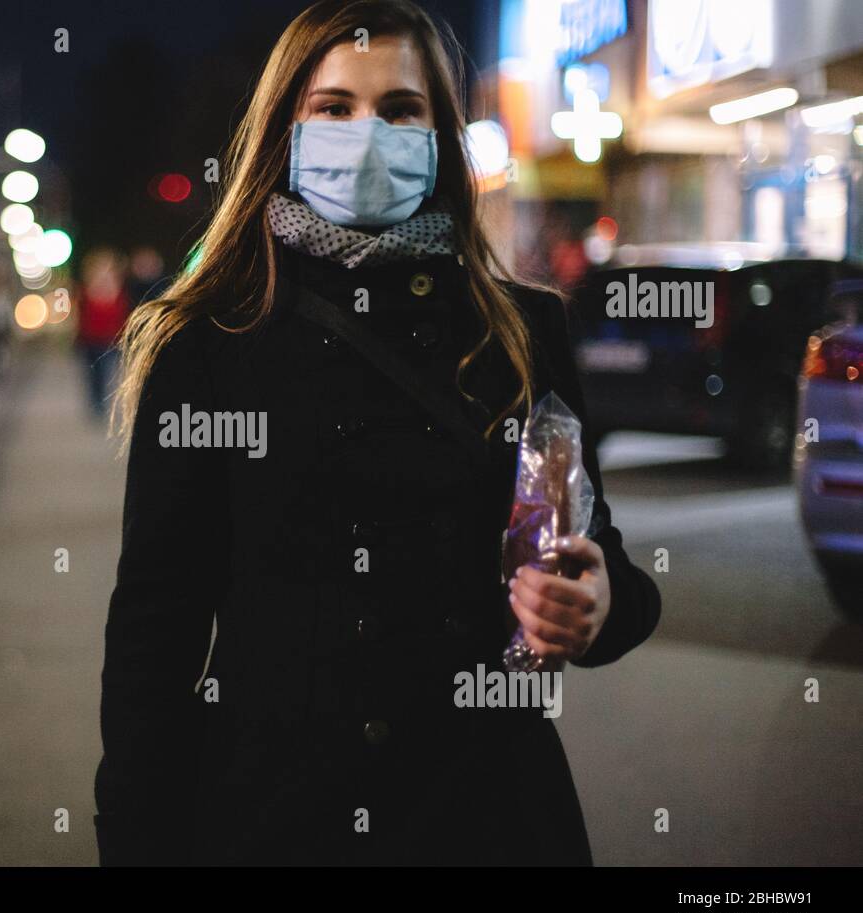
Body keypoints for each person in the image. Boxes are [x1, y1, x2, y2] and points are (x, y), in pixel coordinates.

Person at [95, 0, 661, 866]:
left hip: (488, 814)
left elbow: (595, 557)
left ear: (439, 137)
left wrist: (598, 604)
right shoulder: (207, 345)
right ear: (287, 128)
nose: (369, 133)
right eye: (335, 107)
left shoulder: (520, 330)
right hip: (276, 821)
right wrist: (135, 841)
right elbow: (154, 633)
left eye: (401, 109)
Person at [75, 249, 132, 419]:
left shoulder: (119, 290)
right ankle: (96, 401)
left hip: (110, 340)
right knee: (92, 373)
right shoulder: (85, 291)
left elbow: (123, 315)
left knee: (107, 372)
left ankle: (104, 402)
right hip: (90, 339)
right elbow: (80, 316)